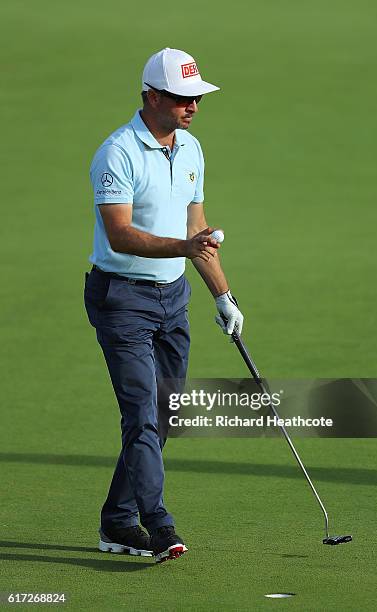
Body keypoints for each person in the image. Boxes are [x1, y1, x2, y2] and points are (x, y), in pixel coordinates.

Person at [84, 47, 244, 563]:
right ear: (151, 96)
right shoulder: (118, 152)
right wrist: (184, 247)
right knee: (141, 416)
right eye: (181, 97)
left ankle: (117, 521)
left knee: (163, 412)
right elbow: (120, 235)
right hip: (121, 299)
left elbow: (197, 227)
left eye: (196, 97)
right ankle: (156, 524)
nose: (192, 106)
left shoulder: (192, 148)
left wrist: (223, 296)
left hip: (174, 297)